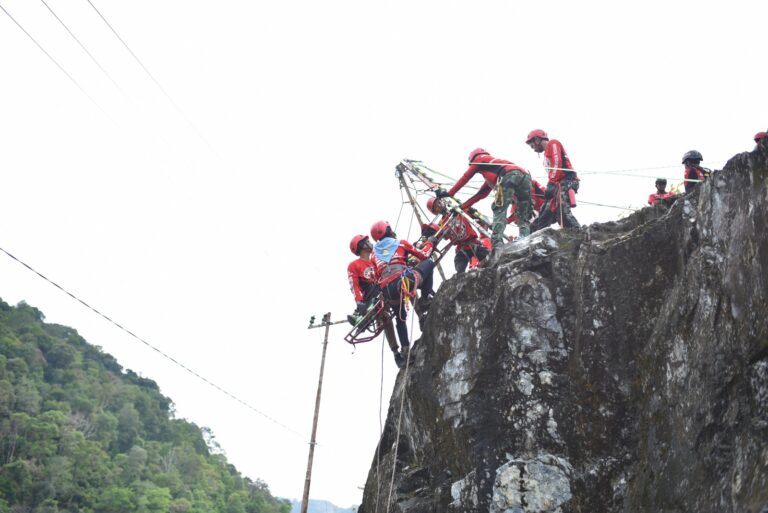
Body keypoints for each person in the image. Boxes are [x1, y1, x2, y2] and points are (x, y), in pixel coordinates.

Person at [436, 148, 532, 262]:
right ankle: (525, 237)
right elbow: (481, 195)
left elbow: (465, 177)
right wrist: (462, 207)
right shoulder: (492, 169)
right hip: (525, 176)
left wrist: (449, 193)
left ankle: (497, 243)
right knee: (522, 211)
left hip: (509, 175)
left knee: (499, 207)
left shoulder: (479, 160)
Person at [370, 221, 435, 363]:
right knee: (429, 264)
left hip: (387, 290)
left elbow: (376, 276)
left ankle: (405, 351)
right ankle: (424, 299)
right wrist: (430, 243)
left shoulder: (373, 255)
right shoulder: (400, 243)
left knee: (400, 318)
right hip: (404, 281)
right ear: (387, 230)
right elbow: (423, 255)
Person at [347, 235, 403, 367]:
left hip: (385, 286)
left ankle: (421, 311)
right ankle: (396, 353)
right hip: (371, 294)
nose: (369, 242)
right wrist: (359, 302)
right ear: (361, 246)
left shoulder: (376, 258)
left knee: (403, 281)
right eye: (366, 241)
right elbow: (354, 285)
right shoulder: (354, 265)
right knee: (385, 319)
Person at [525, 129, 580, 231]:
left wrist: (551, 183)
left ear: (537, 139)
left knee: (562, 211)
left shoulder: (553, 143)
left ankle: (578, 233)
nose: (533, 149)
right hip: (556, 185)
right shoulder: (545, 156)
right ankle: (536, 238)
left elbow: (557, 163)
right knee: (542, 218)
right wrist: (551, 185)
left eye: (532, 145)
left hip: (568, 181)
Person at [426, 197, 490, 273]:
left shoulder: (459, 210)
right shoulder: (441, 224)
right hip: (462, 249)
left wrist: (479, 218)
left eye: (439, 203)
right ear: (435, 212)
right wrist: (431, 239)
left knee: (491, 258)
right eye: (436, 207)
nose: (439, 206)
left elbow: (478, 218)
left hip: (474, 243)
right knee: (459, 269)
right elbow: (438, 235)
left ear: (442, 201)